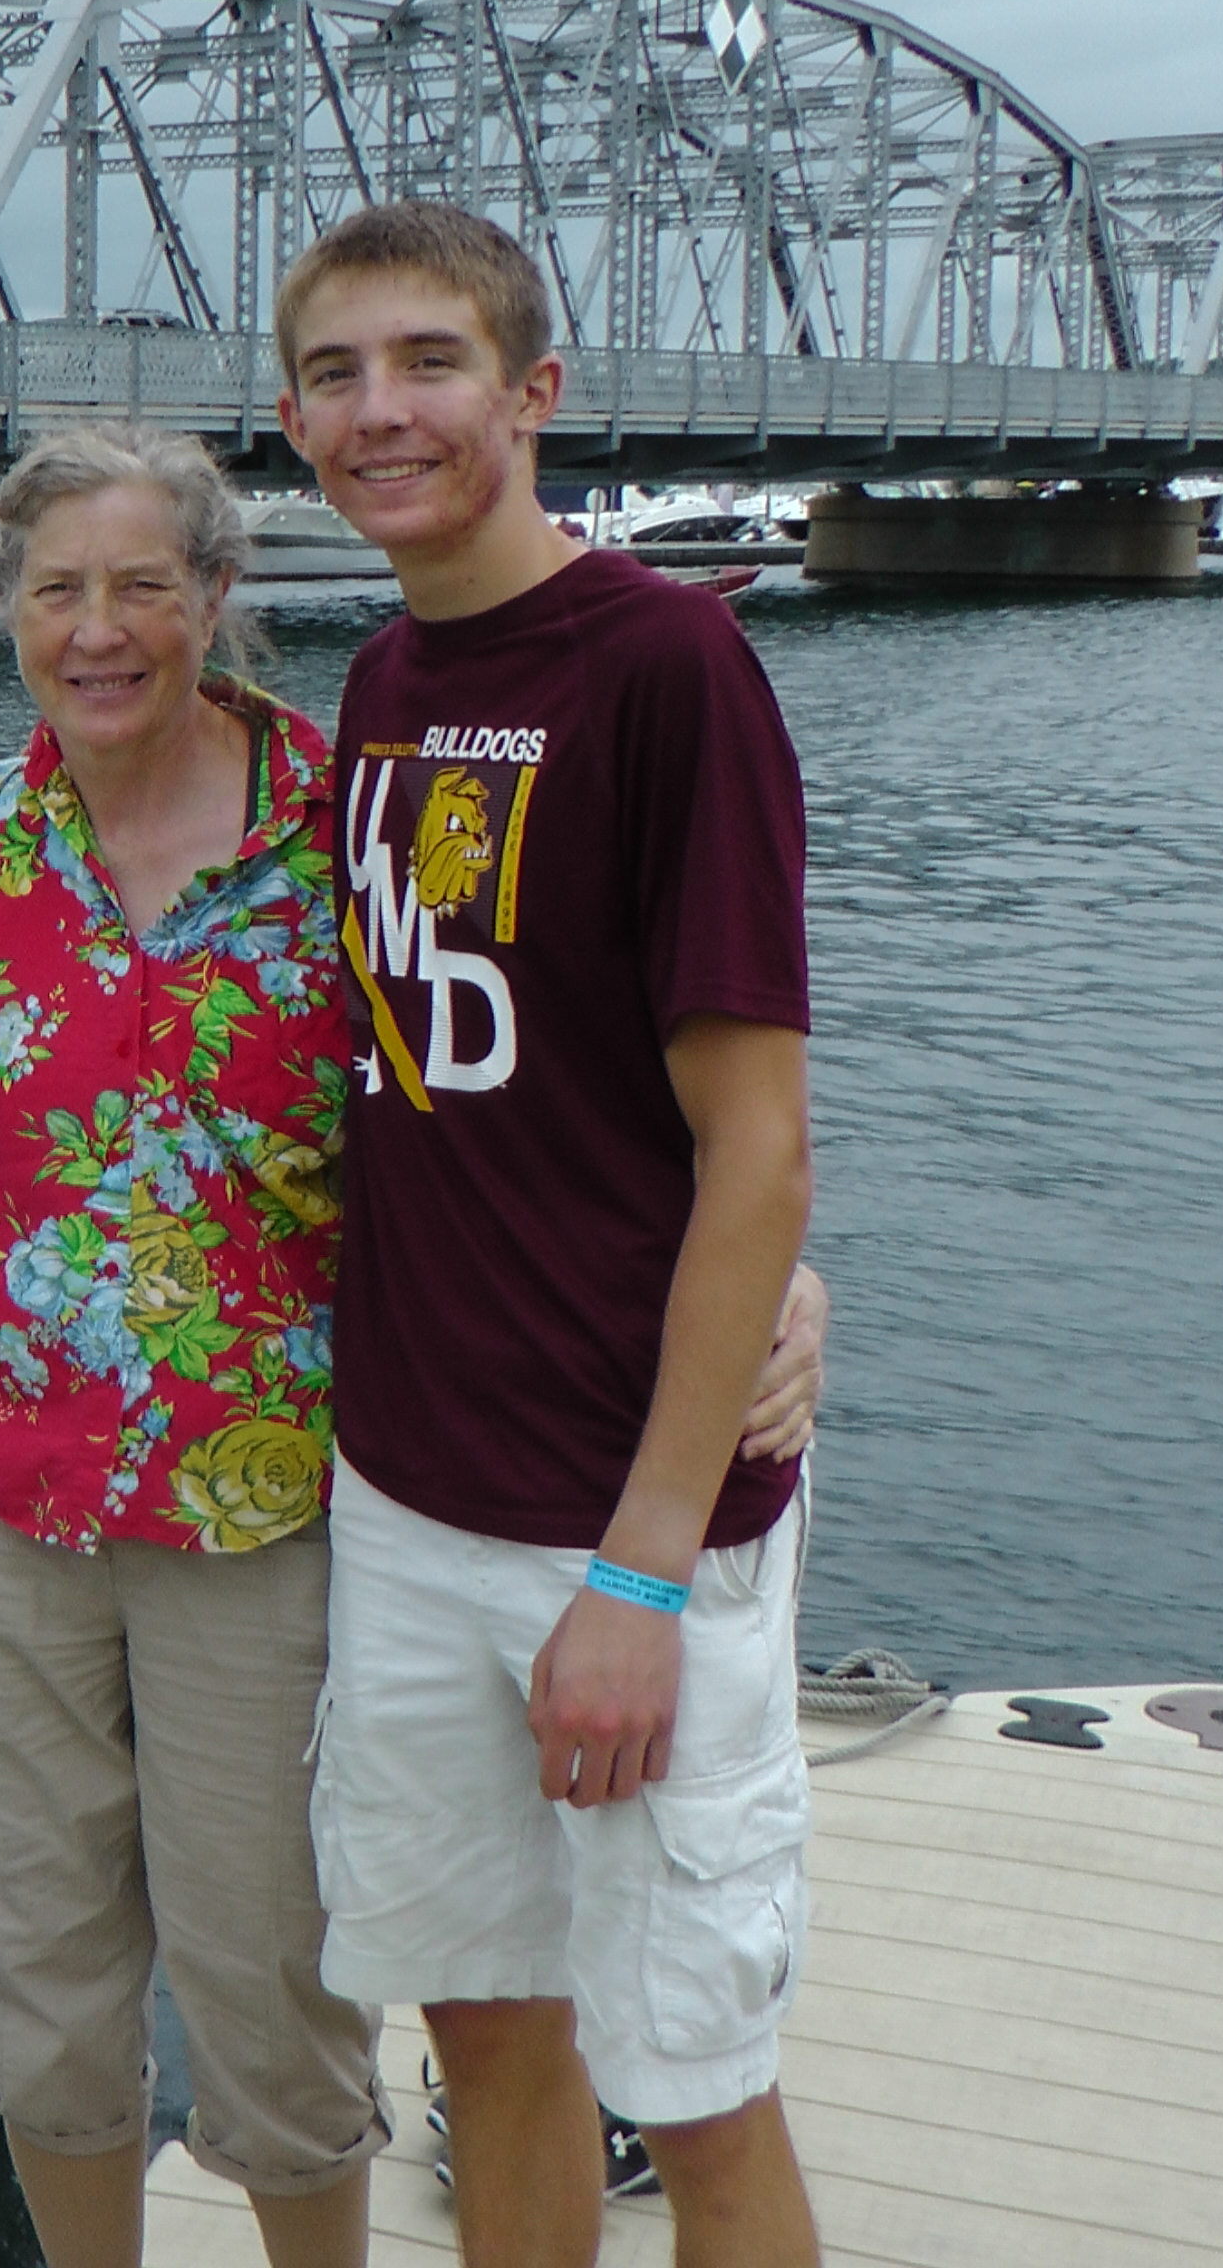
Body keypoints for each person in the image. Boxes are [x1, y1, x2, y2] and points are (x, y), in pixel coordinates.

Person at [0, 423, 824, 2268]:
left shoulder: (354, 829)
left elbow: (566, 1086)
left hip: (264, 1507)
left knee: (276, 1985)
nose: (97, 631)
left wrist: (787, 1286)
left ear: (214, 598)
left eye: (141, 586)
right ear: (3, 612)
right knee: (38, 1977)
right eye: (54, 591)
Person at [275, 198, 826, 2265]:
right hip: (411, 1494)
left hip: (618, 1519)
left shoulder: (669, 666)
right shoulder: (388, 674)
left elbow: (757, 1144)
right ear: (293, 419)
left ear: (534, 393)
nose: (382, 411)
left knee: (695, 2083)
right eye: (335, 374)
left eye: (430, 363)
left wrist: (644, 1573)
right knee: (490, 2035)